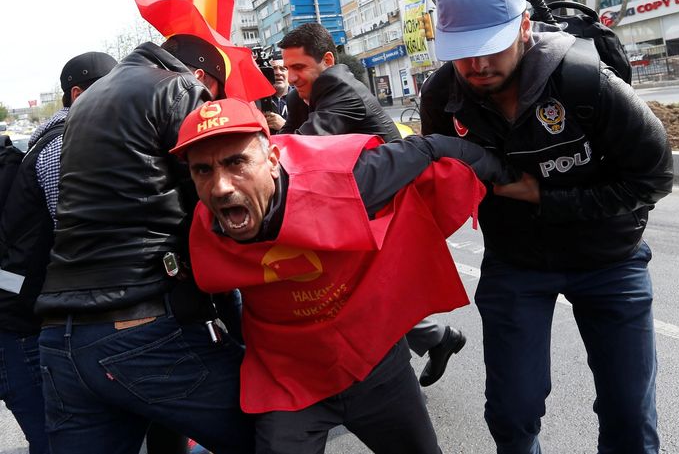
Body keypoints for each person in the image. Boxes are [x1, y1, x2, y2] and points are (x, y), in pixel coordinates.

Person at [420, 0, 673, 454]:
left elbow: (655, 177)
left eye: (489, 46)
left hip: (610, 260)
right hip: (517, 263)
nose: (476, 66)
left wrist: (546, 196)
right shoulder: (444, 95)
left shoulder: (585, 80)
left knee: (629, 415)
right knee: (512, 415)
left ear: (523, 26)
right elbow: (438, 175)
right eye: (462, 52)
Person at [171, 96, 515, 454]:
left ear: (272, 161)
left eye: (236, 162)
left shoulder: (352, 180)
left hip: (374, 364)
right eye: (203, 170)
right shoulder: (199, 231)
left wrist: (508, 177)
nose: (221, 186)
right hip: (287, 382)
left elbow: (429, 148)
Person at [33, 35, 253, 454]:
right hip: (141, 323)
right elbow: (212, 203)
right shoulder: (180, 89)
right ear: (201, 75)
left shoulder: (87, 103)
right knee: (273, 433)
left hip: (61, 337)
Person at [279, 22, 464, 387]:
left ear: (327, 60)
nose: (291, 77)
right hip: (360, 204)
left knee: (369, 295)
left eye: (298, 68)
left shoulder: (339, 89)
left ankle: (396, 384)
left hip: (387, 206)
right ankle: (438, 340)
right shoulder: (309, 94)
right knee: (372, 292)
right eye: (287, 68)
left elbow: (301, 147)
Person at [0, 51, 116, 454]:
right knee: (55, 439)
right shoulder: (64, 144)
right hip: (18, 322)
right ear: (79, 94)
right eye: (112, 89)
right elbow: (81, 231)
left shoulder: (40, 146)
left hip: (29, 311)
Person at [262, 51, 290, 133]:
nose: (278, 73)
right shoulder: (258, 101)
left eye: (282, 69)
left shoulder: (301, 97)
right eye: (273, 69)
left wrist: (284, 126)